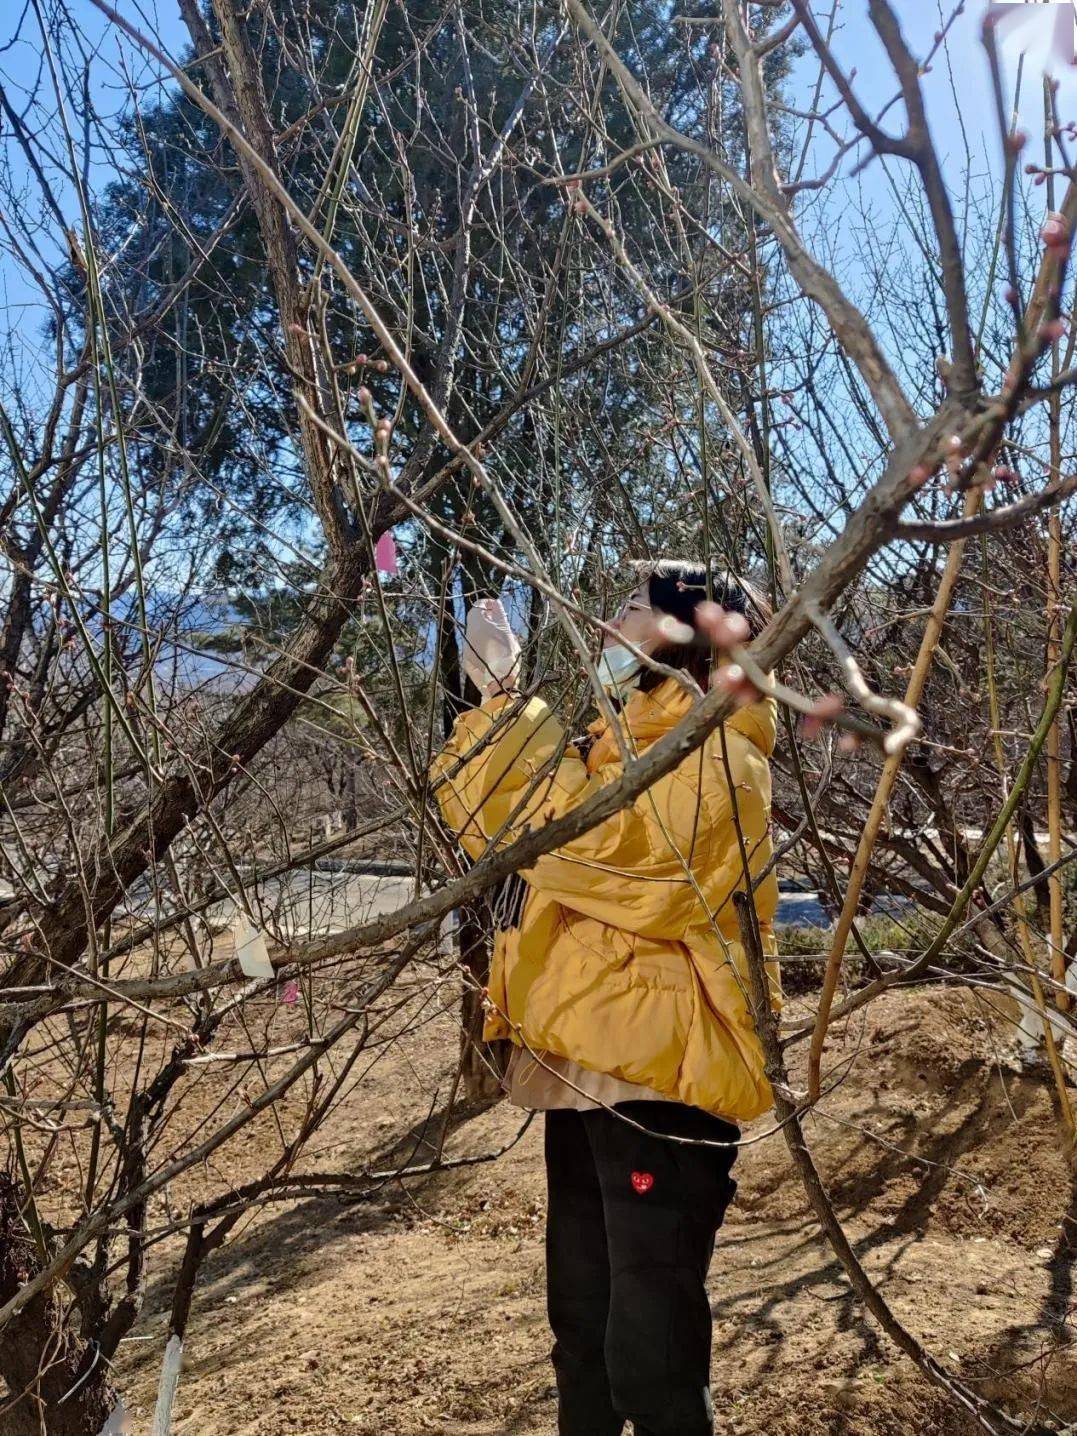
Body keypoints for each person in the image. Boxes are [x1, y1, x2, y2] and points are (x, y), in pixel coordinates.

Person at [429, 559, 780, 1436]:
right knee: (580, 1324)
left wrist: (520, 725)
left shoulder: (722, 752)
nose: (608, 626)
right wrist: (499, 702)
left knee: (649, 1346)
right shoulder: (605, 745)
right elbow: (500, 831)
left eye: (634, 610)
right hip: (584, 1059)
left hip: (660, 1076)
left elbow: (626, 864)